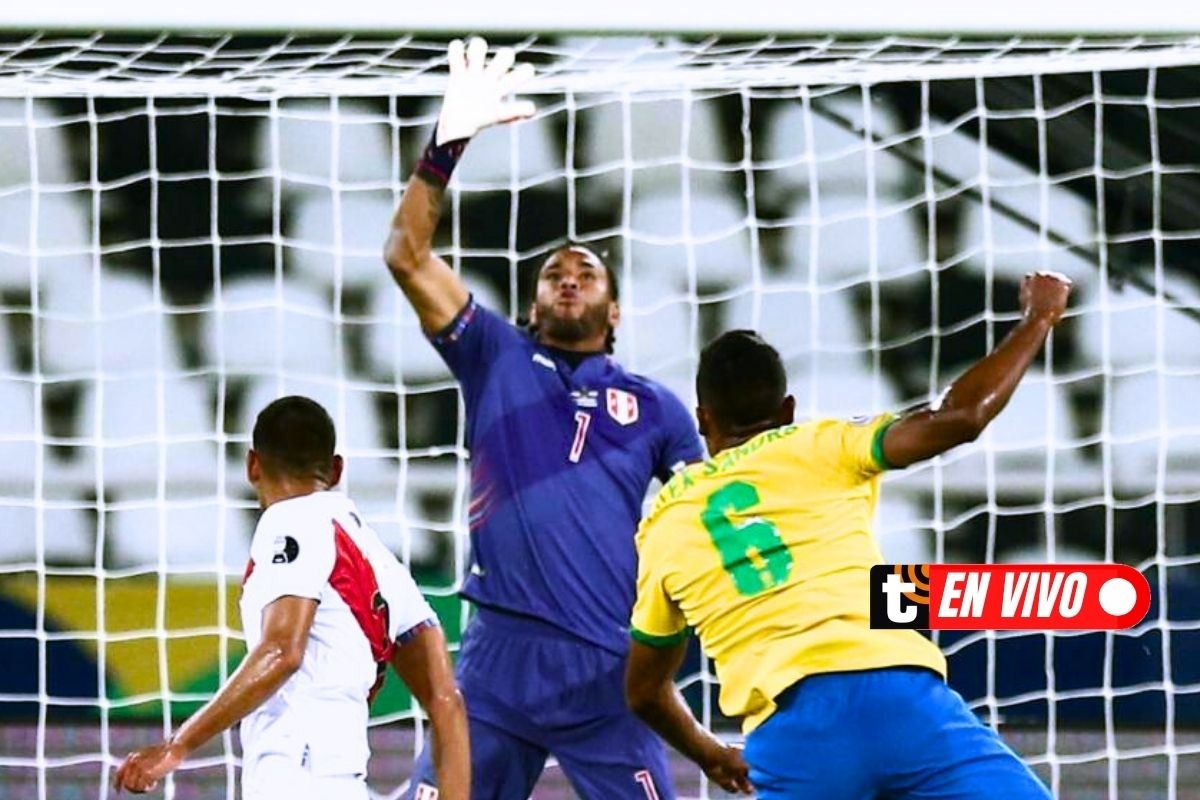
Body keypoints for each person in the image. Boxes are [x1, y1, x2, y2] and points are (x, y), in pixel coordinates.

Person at [384, 37, 705, 799]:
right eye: (553, 273)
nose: (568, 278)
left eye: (585, 272)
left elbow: (707, 509)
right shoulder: (493, 353)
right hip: (497, 663)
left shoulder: (657, 406)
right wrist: (449, 138)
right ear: (532, 303)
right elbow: (405, 254)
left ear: (614, 308)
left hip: (605, 671)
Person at [626, 272, 1072, 799]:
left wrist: (711, 753)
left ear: (703, 420)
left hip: (792, 732)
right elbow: (961, 416)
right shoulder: (824, 444)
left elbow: (643, 689)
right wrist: (1038, 318)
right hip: (903, 700)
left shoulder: (665, 522)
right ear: (788, 411)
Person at [114, 396, 469, 799]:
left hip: (292, 781)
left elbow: (283, 650)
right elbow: (446, 702)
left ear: (252, 465)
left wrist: (178, 745)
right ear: (336, 470)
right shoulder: (381, 561)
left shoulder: (291, 521)